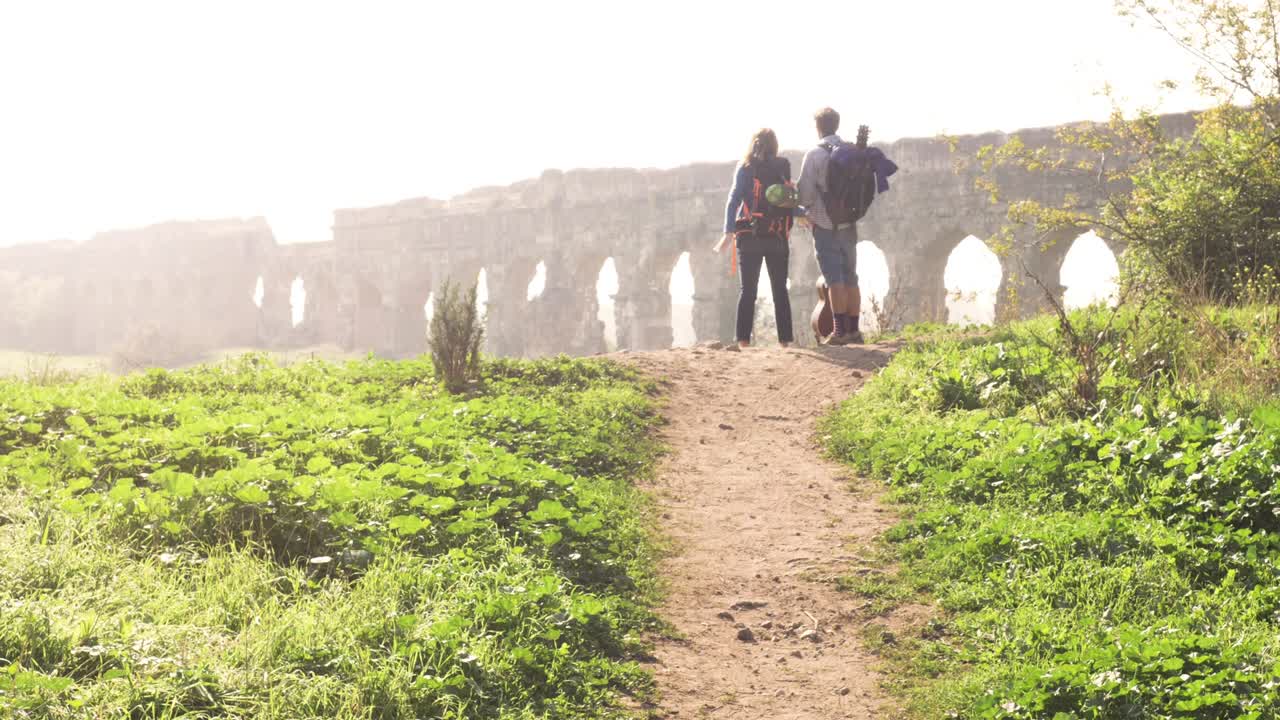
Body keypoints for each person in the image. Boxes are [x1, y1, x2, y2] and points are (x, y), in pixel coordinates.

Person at [715, 128, 795, 348]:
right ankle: (785, 342)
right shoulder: (783, 166)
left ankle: (743, 341)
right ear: (775, 145)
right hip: (777, 236)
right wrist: (801, 216)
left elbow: (733, 200)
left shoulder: (745, 167)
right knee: (780, 289)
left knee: (748, 290)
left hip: (749, 235)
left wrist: (728, 232)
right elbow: (788, 197)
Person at [797, 107, 862, 345]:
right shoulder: (852, 151)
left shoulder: (814, 154)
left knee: (834, 279)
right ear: (837, 124)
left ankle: (839, 332)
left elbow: (805, 195)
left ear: (818, 127)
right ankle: (854, 330)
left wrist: (801, 206)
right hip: (849, 223)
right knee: (851, 278)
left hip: (825, 225)